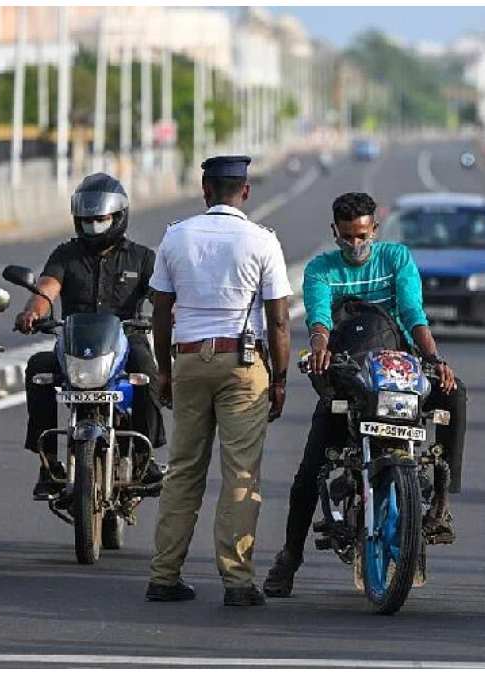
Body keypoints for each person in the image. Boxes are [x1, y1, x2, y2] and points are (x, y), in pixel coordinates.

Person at [262, 191, 467, 599]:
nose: (355, 245)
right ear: (334, 233)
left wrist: (434, 358)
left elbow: (413, 313)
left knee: (454, 393)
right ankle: (289, 558)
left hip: (401, 371)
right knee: (309, 472)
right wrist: (320, 347)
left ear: (375, 229)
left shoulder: (396, 259)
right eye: (346, 237)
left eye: (362, 236)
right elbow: (318, 316)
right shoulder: (322, 268)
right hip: (348, 373)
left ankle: (442, 500)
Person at [144, 155, 292, 607]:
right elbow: (280, 321)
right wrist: (280, 379)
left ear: (205, 190)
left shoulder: (177, 235)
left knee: (184, 470)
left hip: (188, 360)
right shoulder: (261, 241)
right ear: (245, 191)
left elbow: (161, 311)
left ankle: (164, 575)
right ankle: (237, 581)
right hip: (242, 364)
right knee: (240, 473)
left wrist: (165, 370)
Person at [15, 173, 166, 498]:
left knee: (149, 374)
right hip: (75, 345)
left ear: (118, 216)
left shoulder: (141, 258)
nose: (93, 226)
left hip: (126, 341)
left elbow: (160, 297)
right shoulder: (65, 256)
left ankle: (144, 456)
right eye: (87, 220)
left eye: (100, 219)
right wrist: (32, 313)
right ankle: (49, 461)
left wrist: (170, 316)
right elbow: (46, 291)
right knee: (37, 368)